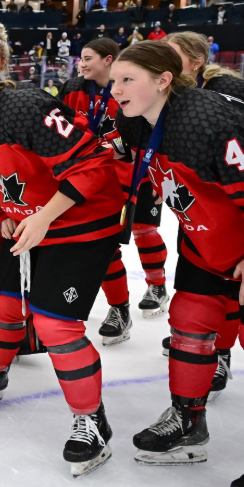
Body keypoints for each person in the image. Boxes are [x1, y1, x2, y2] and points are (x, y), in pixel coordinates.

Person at [110, 40, 244, 487]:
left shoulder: (205, 120)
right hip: (210, 238)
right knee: (190, 321)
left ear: (164, 79)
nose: (116, 89)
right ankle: (188, 423)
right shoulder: (139, 119)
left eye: (128, 79)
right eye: (114, 80)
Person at [0, 43, 124, 476]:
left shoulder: (23, 105)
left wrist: (42, 216)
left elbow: (93, 165)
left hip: (80, 224)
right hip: (31, 224)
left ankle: (91, 421)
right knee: (1, 307)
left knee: (55, 326)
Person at [57, 38, 169, 343]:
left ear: (109, 59)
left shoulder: (135, 90)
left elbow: (152, 133)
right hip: (93, 176)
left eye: (88, 58)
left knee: (144, 230)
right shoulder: (72, 87)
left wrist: (160, 173)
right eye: (80, 58)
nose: (81, 63)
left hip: (136, 174)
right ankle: (118, 308)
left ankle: (157, 284)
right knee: (103, 247)